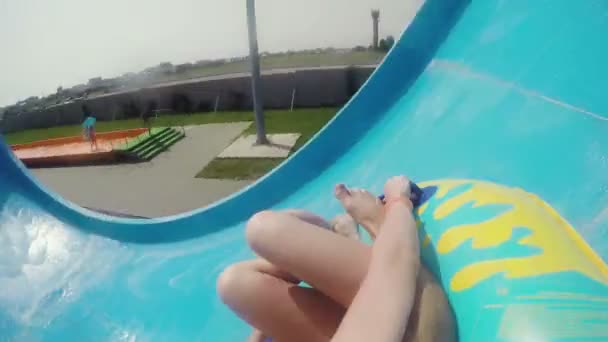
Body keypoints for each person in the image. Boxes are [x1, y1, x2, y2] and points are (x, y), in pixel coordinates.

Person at [217, 176, 456, 342]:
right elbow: (396, 265)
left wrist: (268, 325)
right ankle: (363, 230)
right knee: (263, 230)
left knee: (233, 285)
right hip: (422, 329)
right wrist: (397, 202)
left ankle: (328, 245)